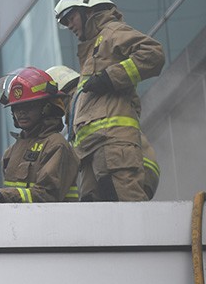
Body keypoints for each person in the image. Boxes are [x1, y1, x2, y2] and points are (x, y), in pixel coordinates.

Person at [54, 0, 164, 201]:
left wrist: (111, 77)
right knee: (97, 221)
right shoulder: (90, 51)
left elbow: (153, 54)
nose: (69, 26)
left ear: (88, 10)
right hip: (89, 152)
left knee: (127, 209)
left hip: (113, 143)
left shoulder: (111, 32)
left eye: (70, 18)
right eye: (65, 23)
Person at [0, 67, 80, 219]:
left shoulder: (56, 144)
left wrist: (1, 195)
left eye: (28, 106)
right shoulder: (12, 151)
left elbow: (48, 194)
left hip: (55, 226)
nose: (21, 113)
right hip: (23, 227)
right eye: (17, 108)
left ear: (45, 108)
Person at [46, 65, 160, 200]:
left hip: (123, 165)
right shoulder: (85, 99)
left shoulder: (79, 100)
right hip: (137, 164)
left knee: (127, 212)